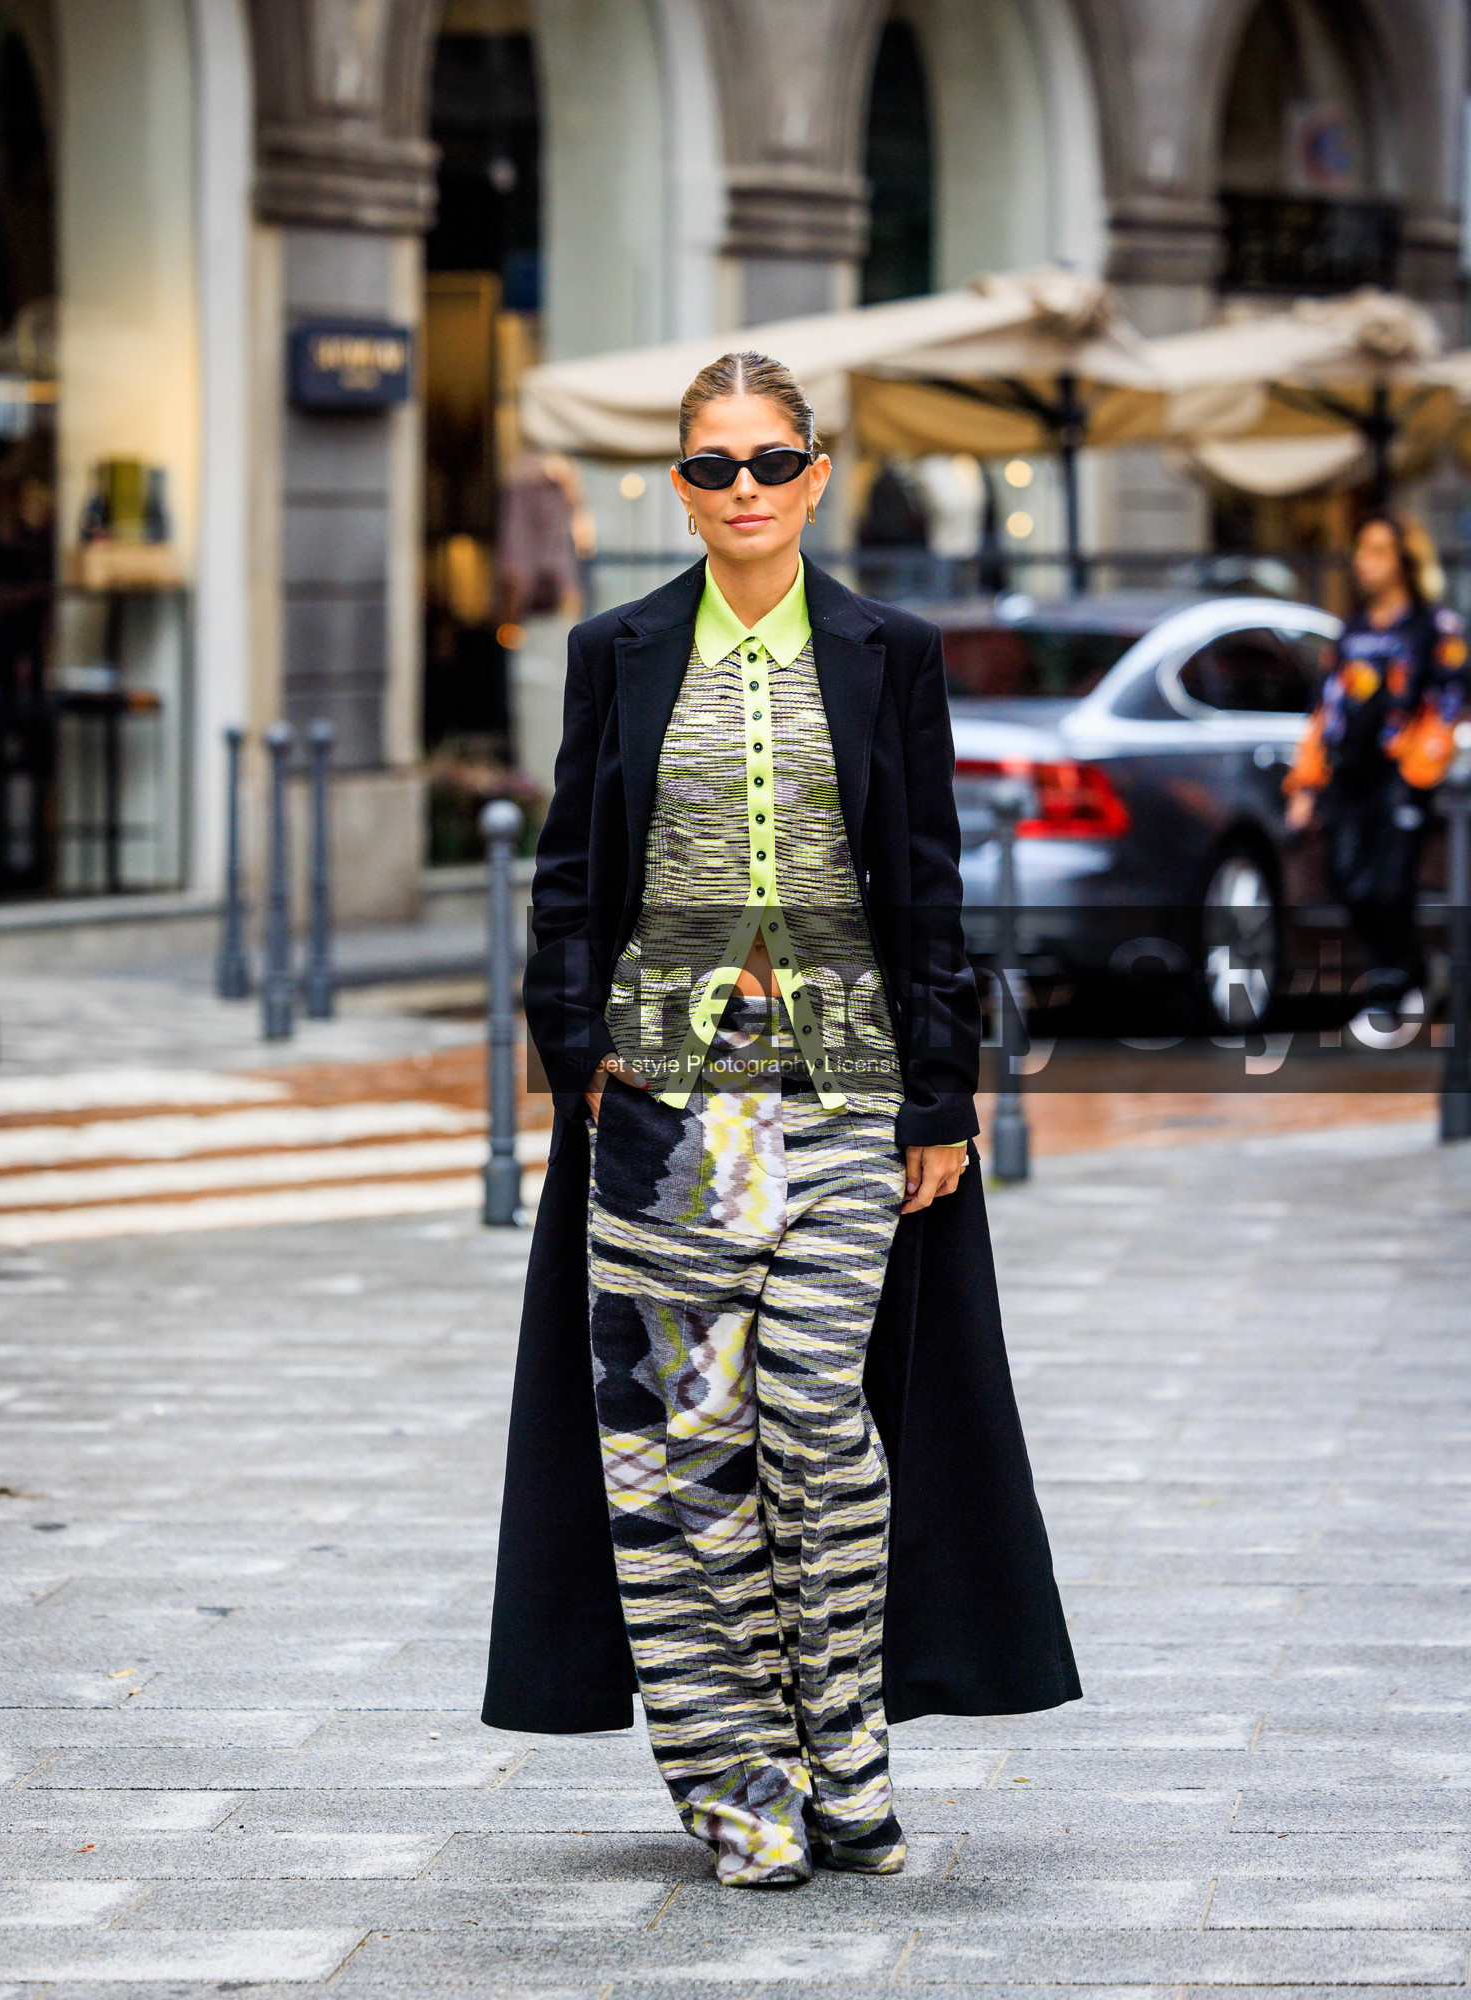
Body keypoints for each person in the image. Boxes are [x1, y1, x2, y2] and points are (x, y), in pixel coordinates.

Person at [481, 351, 1079, 1889]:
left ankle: (847, 1752)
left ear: (815, 476)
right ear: (678, 489)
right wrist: (573, 1050)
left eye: (767, 461)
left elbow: (928, 882)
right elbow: (568, 876)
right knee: (680, 1452)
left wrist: (942, 1092)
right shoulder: (617, 650)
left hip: (843, 1093)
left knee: (821, 1420)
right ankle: (736, 1784)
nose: (740, 488)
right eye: (709, 466)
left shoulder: (890, 650)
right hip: (666, 1111)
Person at [1285, 515, 1469, 1012]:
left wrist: (1421, 765)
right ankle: (1412, 969)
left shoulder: (1434, 626)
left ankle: (1392, 987)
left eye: (1377, 550)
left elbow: (1452, 697)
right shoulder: (1353, 629)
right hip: (1350, 774)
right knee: (1346, 877)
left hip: (1400, 776)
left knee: (1390, 883)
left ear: (1404, 561)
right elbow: (1326, 709)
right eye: (1362, 550)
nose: (1363, 561)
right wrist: (1306, 783)